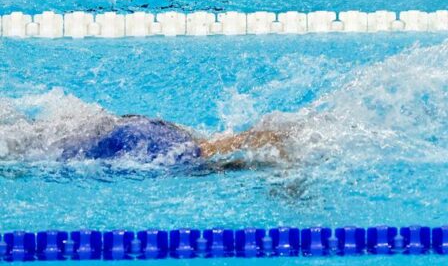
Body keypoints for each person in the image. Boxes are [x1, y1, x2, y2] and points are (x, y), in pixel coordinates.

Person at [53, 113, 285, 169]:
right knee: (205, 152)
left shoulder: (52, 146)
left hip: (136, 135)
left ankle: (266, 142)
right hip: (137, 126)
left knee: (203, 156)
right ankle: (266, 142)